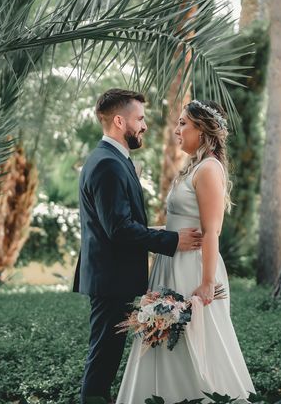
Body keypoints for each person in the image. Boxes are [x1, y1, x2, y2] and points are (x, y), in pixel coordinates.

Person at [116, 99, 255, 403]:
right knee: (163, 337)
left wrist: (206, 282)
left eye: (183, 124)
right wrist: (150, 234)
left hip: (193, 268)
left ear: (202, 131)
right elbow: (178, 224)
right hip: (171, 263)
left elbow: (211, 231)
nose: (176, 130)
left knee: (194, 340)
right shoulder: (192, 167)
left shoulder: (208, 169)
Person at [74, 88, 203, 404]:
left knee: (106, 353)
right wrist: (171, 240)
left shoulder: (112, 159)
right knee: (103, 357)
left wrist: (159, 229)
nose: (144, 126)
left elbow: (116, 223)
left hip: (111, 276)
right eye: (140, 119)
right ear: (120, 121)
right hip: (110, 278)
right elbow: (118, 229)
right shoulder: (108, 164)